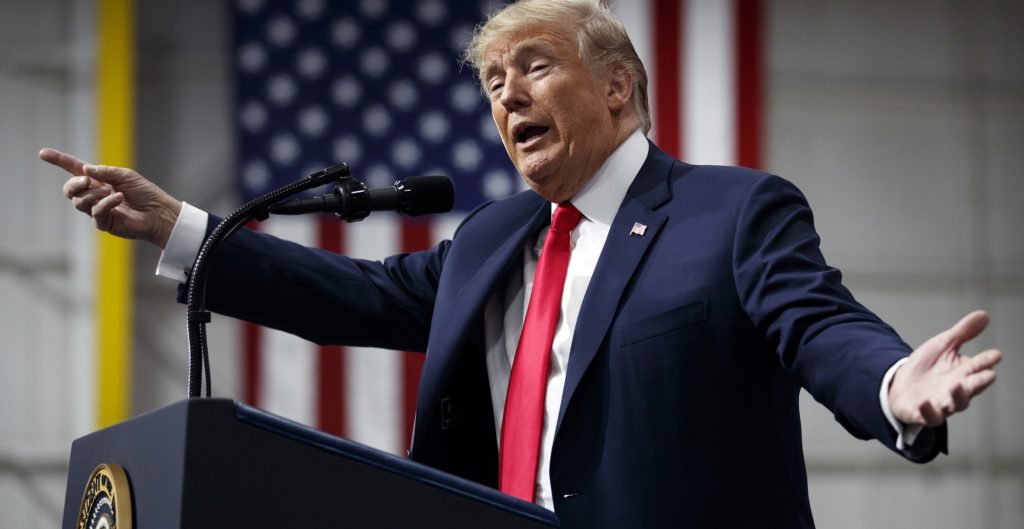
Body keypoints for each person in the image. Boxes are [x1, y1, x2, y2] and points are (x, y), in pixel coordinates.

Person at [42, 0, 1002, 527]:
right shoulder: (494, 237)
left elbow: (816, 322)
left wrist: (892, 382)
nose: (508, 99)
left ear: (618, 88)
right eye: (495, 84)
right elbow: (355, 296)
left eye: (535, 67)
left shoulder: (732, 211)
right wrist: (182, 228)